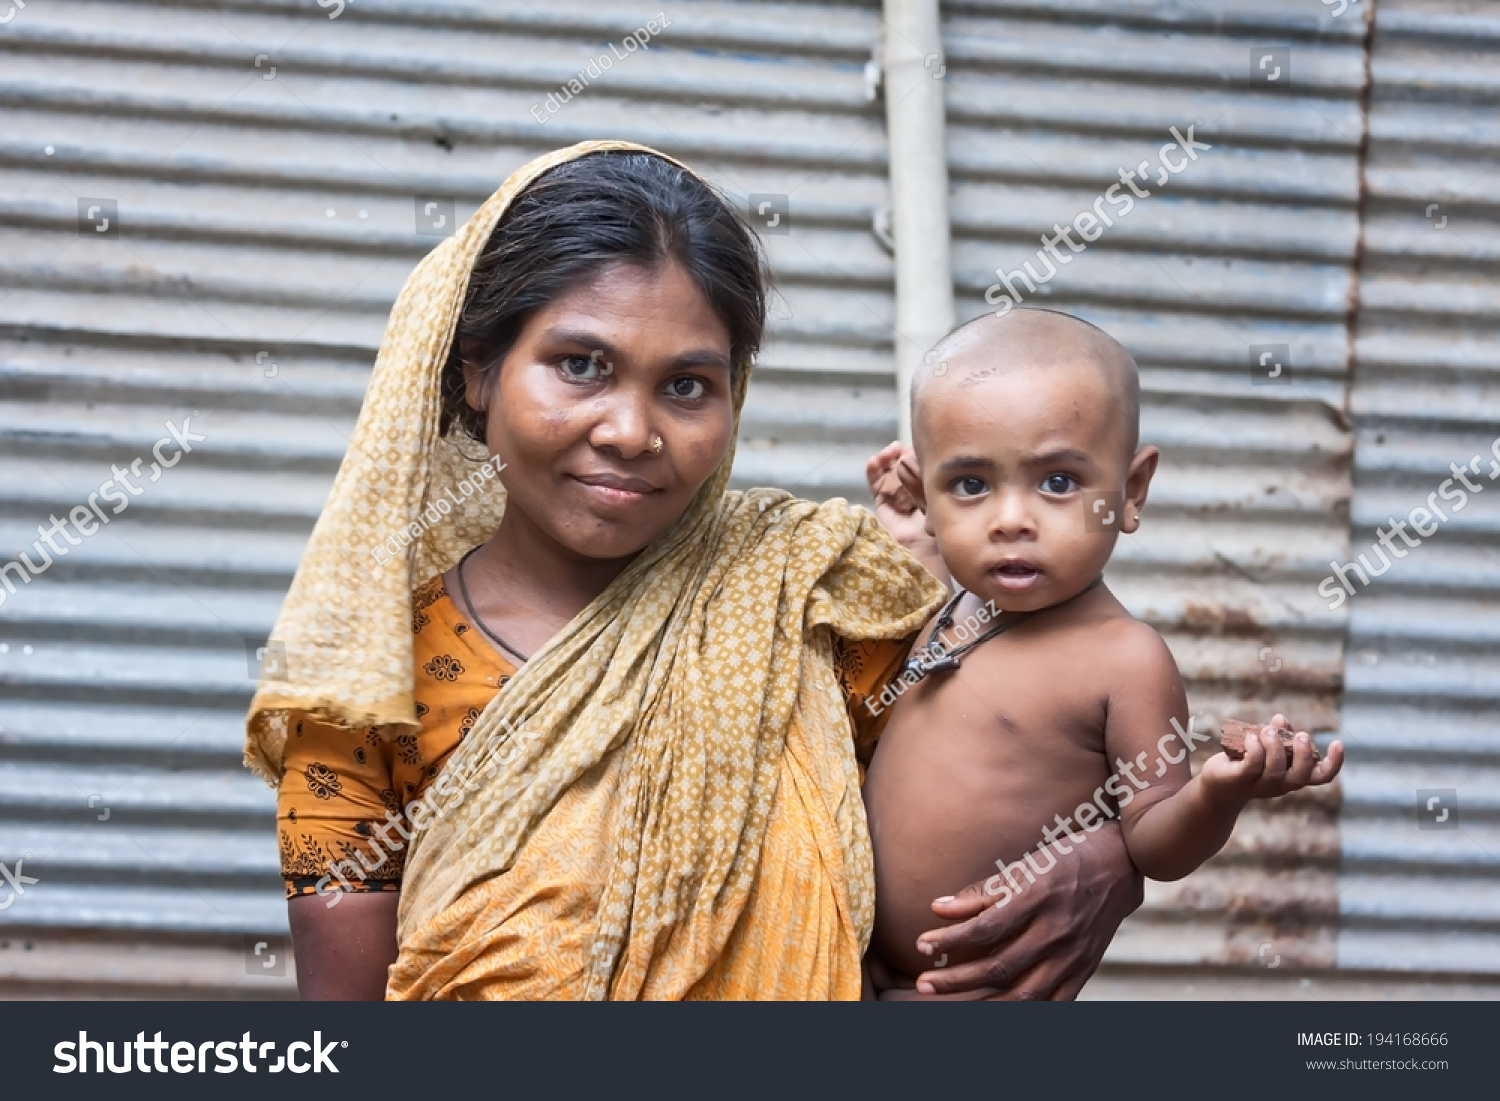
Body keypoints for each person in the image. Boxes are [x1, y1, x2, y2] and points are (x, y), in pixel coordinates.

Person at [245, 141, 1145, 1001]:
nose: (632, 431)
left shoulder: (813, 596)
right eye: (581, 365)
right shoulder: (369, 687)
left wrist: (1116, 854)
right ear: (478, 372)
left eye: (685, 385)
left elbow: (1045, 745)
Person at [860, 308, 1345, 998]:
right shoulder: (943, 602)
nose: (1009, 520)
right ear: (930, 494)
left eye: (1058, 482)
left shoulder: (1124, 659)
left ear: (1131, 490)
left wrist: (1217, 792)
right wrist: (913, 542)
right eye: (970, 484)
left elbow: (1153, 842)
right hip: (850, 973)